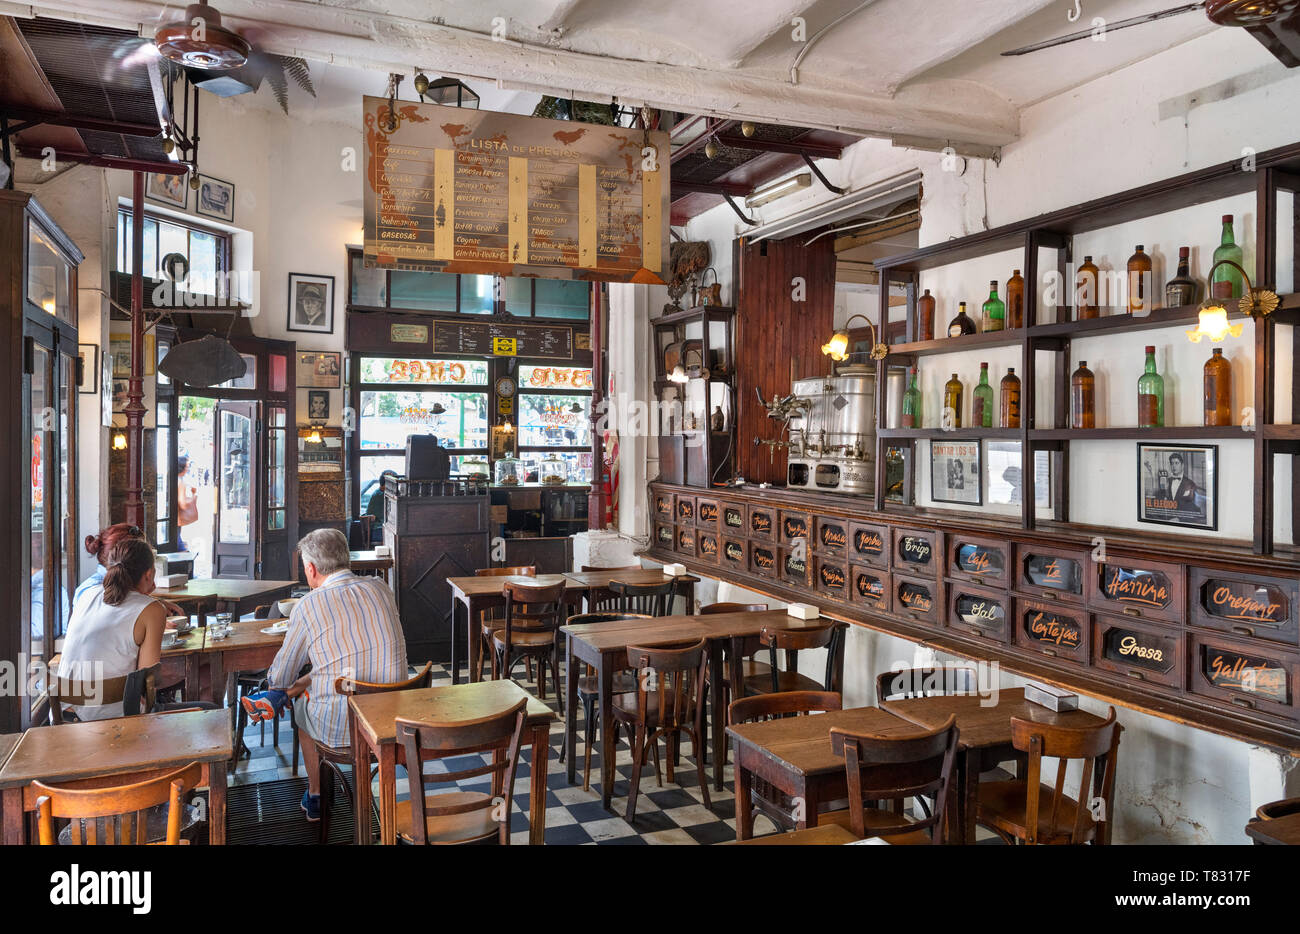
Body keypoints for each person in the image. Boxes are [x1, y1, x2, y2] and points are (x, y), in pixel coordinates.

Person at [242, 528, 406, 821]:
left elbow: (280, 673)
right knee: (329, 674)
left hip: (347, 728)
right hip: (395, 720)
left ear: (311, 569)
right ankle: (281, 698)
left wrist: (277, 687)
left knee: (305, 700)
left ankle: (316, 795)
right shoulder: (381, 588)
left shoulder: (308, 605)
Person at [58, 538, 167, 721]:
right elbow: (148, 682)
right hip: (110, 721)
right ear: (148, 574)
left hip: (62, 716)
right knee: (206, 708)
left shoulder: (87, 594)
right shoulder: (152, 610)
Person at [177, 454, 199, 552]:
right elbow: (183, 504)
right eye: (187, 466)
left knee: (177, 540)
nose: (188, 468)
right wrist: (194, 496)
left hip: (172, 517)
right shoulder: (181, 483)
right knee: (179, 544)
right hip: (177, 518)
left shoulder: (172, 480)